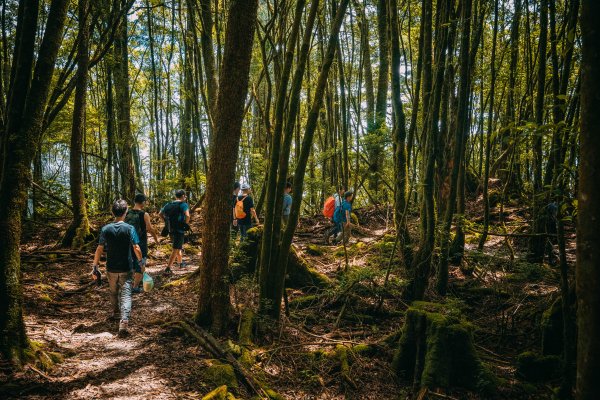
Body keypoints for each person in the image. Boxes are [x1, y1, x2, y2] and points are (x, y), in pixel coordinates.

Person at [92, 199, 142, 336]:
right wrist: (141, 262)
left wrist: (95, 265)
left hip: (111, 268)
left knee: (113, 292)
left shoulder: (105, 229)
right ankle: (124, 322)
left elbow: (99, 248)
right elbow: (136, 247)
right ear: (126, 212)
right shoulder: (130, 229)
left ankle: (115, 313)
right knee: (126, 295)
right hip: (126, 268)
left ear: (112, 212)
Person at [125, 193, 160, 293]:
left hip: (128, 242)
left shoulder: (127, 213)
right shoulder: (144, 214)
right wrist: (156, 239)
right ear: (143, 202)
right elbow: (149, 228)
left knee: (130, 262)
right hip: (141, 242)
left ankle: (130, 283)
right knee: (140, 262)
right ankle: (135, 287)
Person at [160, 189, 190, 274]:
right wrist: (185, 225)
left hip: (170, 229)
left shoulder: (168, 204)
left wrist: (166, 222)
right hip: (179, 230)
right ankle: (168, 268)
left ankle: (180, 263)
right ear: (183, 196)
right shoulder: (183, 205)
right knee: (176, 248)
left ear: (175, 196)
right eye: (185, 196)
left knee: (178, 247)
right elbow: (188, 216)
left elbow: (160, 214)